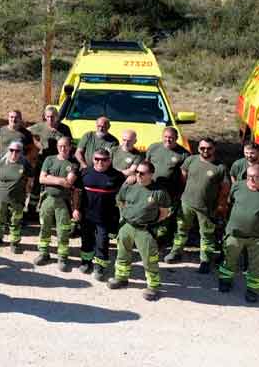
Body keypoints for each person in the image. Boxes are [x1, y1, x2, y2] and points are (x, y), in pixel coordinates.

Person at [108, 161, 171, 301]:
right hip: (127, 226)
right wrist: (126, 215)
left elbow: (164, 212)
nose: (138, 175)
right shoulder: (129, 186)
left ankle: (153, 286)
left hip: (145, 230)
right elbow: (120, 201)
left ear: (151, 174)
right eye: (136, 172)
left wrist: (152, 223)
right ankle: (121, 278)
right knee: (122, 254)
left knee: (149, 259)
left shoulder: (159, 192)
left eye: (142, 173)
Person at [167, 138, 228, 272]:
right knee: (181, 230)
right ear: (198, 148)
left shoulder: (220, 167)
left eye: (209, 148)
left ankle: (205, 260)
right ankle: (176, 252)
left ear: (214, 149)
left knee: (207, 235)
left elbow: (224, 189)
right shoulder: (191, 160)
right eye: (202, 148)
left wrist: (220, 206)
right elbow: (183, 177)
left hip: (206, 208)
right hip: (186, 204)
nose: (205, 151)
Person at [73, 148, 126, 280]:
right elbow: (77, 193)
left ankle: (100, 266)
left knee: (102, 242)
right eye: (97, 159)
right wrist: (76, 209)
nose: (100, 162)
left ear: (109, 161)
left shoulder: (117, 176)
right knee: (86, 240)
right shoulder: (85, 173)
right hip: (86, 216)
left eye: (104, 160)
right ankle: (86, 262)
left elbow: (124, 196)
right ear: (93, 159)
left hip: (105, 217)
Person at [217, 164, 259, 303]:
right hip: (234, 234)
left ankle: (253, 290)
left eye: (256, 177)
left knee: (256, 266)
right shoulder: (238, 186)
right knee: (229, 259)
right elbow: (229, 202)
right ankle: (225, 281)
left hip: (256, 238)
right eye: (249, 176)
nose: (252, 179)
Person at [35, 136, 78, 270]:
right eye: (60, 146)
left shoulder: (74, 164)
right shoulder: (49, 159)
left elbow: (68, 183)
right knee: (44, 227)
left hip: (63, 202)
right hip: (48, 199)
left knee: (63, 230)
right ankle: (44, 253)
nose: (62, 148)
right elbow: (41, 179)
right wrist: (59, 180)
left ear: (70, 147)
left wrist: (50, 178)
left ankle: (62, 257)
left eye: (65, 146)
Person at [145, 127, 190, 243]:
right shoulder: (154, 148)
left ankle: (161, 242)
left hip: (170, 192)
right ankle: (148, 239)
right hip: (151, 189)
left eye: (171, 138)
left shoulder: (184, 154)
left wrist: (181, 192)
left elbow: (185, 176)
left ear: (176, 138)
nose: (168, 140)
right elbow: (146, 165)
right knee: (149, 214)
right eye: (166, 137)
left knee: (165, 218)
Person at [0, 140, 33, 253]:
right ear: (8, 150)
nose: (14, 153)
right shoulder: (2, 162)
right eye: (12, 150)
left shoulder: (24, 163)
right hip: (1, 196)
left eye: (17, 151)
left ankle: (14, 242)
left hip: (17, 198)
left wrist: (28, 190)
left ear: (21, 152)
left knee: (16, 221)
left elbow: (31, 177)